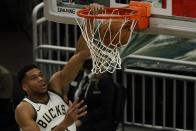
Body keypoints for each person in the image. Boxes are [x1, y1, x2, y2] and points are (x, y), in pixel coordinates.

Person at [15, 34, 90, 131]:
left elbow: (79, 56)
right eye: (34, 78)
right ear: (24, 87)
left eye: (41, 75)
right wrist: (65, 123)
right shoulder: (24, 108)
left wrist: (89, 22)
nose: (41, 79)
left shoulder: (56, 87)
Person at [68, 59, 122, 131]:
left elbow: (103, 109)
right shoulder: (77, 75)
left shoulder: (104, 80)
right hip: (76, 116)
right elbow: (70, 97)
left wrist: (82, 121)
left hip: (97, 122)